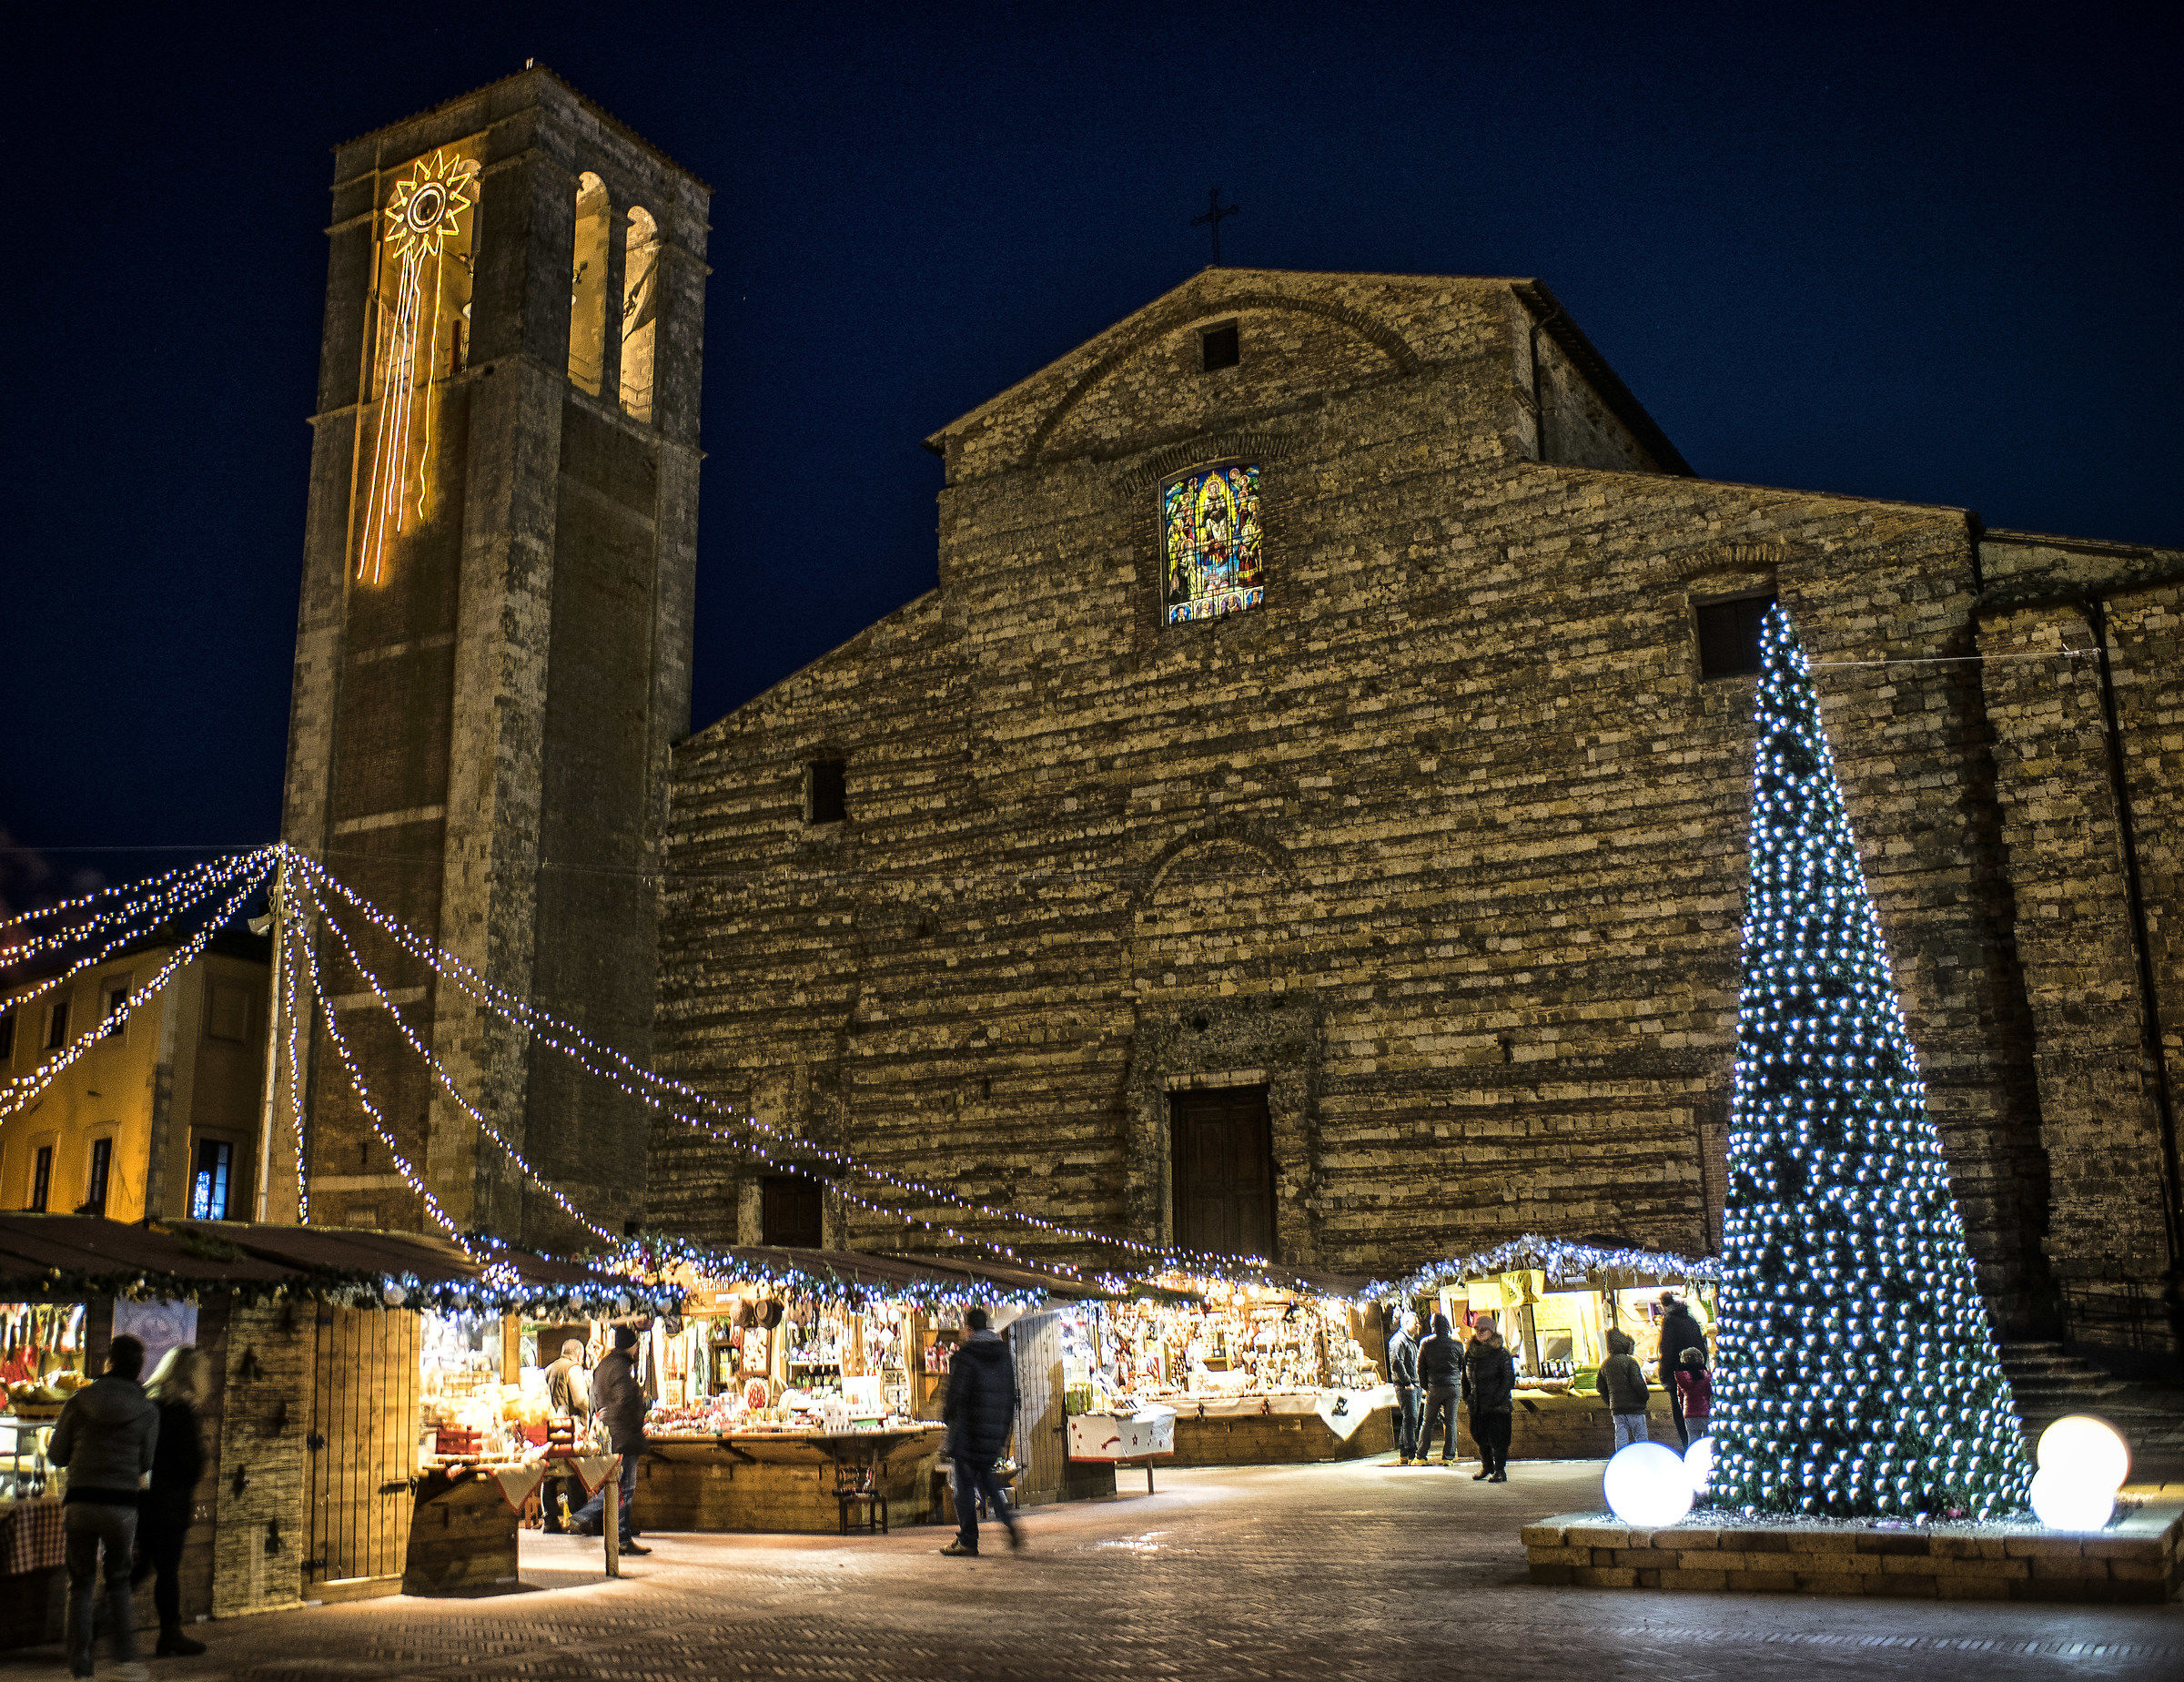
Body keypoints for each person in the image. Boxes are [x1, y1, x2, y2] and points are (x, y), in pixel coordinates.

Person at [49, 1332, 158, 1680]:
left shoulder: (79, 1401)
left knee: (79, 1583)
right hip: (122, 1505)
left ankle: (81, 1668)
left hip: (80, 1501)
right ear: (139, 1368)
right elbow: (146, 1462)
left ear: (107, 1362)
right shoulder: (148, 1409)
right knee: (119, 1582)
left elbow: (56, 1455)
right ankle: (125, 1661)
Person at [132, 1346, 208, 1658]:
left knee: (146, 1564)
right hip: (170, 1502)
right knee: (165, 1570)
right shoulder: (180, 1412)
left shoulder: (151, 1406)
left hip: (147, 1500)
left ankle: (101, 1617)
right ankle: (170, 1634)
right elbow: (189, 1462)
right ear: (190, 1375)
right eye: (204, 1372)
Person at [938, 1307, 1021, 1556]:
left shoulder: (965, 1357)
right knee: (987, 1479)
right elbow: (1010, 1394)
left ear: (968, 1329)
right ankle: (1009, 1523)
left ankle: (968, 1539)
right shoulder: (1002, 1355)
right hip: (993, 1431)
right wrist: (1003, 1428)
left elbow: (956, 1396)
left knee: (963, 1486)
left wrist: (948, 1418)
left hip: (967, 1432)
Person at [571, 1326, 650, 1555]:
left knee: (618, 1486)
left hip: (610, 1434)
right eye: (636, 1345)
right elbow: (625, 1399)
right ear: (631, 1345)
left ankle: (621, 1535)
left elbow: (593, 1397)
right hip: (624, 1434)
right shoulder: (622, 1367)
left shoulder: (604, 1365)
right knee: (624, 1487)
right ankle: (590, 1519)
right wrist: (641, 1406)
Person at [540, 1338, 591, 1534]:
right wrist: (591, 1397)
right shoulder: (573, 1369)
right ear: (578, 1353)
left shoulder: (549, 1368)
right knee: (574, 1471)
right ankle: (578, 1519)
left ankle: (550, 1519)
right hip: (570, 1427)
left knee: (550, 1474)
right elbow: (581, 1400)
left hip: (551, 1427)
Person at [1461, 1322, 1517, 1483]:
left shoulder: (1501, 1353)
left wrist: (1497, 1399)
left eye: (1484, 1329)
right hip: (1477, 1404)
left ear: (1491, 1332)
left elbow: (1508, 1379)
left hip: (1497, 1406)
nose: (1480, 1332)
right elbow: (1465, 1377)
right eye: (1477, 1329)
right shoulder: (1471, 1353)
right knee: (1479, 1436)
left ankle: (1500, 1470)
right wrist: (1467, 1396)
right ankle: (1487, 1466)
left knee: (1498, 1439)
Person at [1656, 1292, 1707, 1448]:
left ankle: (1689, 1449)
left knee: (1683, 1416)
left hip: (1679, 1375)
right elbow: (1702, 1348)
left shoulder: (1670, 1321)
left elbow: (1667, 1350)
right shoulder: (1690, 1319)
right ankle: (1703, 1449)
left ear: (1663, 1305)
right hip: (1699, 1374)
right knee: (1702, 1414)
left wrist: (1665, 1378)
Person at [1415, 1312, 1463, 1466]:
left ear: (1433, 1327)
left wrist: (1426, 1386)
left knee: (1427, 1422)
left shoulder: (1426, 1344)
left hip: (1434, 1387)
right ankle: (1448, 1457)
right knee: (1451, 1422)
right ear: (1448, 1327)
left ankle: (1421, 1455)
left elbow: (1420, 1368)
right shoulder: (1457, 1344)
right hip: (1453, 1387)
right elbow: (1462, 1366)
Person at [1594, 1330, 1650, 1454]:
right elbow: (1638, 1383)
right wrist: (1645, 1397)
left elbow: (1600, 1387)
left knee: (1621, 1437)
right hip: (1635, 1407)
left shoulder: (1605, 1363)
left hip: (1617, 1409)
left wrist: (1610, 1402)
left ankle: (1621, 1459)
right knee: (1640, 1437)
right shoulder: (1630, 1362)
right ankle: (1644, 1458)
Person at [1387, 1310, 1422, 1465]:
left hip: (1414, 1384)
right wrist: (1407, 1382)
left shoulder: (1409, 1340)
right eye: (1416, 1323)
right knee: (1411, 1419)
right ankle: (1411, 1452)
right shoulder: (1398, 1341)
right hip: (1406, 1386)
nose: (1418, 1326)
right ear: (1407, 1324)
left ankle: (1403, 1452)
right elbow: (1396, 1363)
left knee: (1410, 1419)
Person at [1675, 1345, 1713, 1441]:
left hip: (1689, 1413)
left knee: (1692, 1440)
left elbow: (1680, 1396)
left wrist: (1683, 1408)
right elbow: (1710, 1393)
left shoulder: (1681, 1376)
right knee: (1708, 1441)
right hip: (1706, 1412)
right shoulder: (1707, 1375)